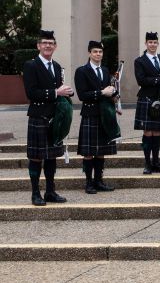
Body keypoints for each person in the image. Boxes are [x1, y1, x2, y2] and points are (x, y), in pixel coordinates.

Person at [22, 30, 73, 206]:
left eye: (51, 43)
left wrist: (65, 93)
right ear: (38, 46)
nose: (47, 46)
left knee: (51, 156)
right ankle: (35, 193)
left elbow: (57, 90)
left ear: (55, 46)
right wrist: (55, 92)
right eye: (44, 43)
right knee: (36, 157)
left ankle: (50, 191)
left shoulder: (57, 66)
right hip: (38, 116)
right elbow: (31, 93)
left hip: (54, 118)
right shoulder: (31, 65)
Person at [74, 40, 119, 194]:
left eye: (100, 52)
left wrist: (114, 96)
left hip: (105, 114)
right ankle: (88, 183)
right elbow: (82, 95)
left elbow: (110, 92)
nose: (98, 54)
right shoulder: (81, 71)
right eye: (95, 51)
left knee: (101, 151)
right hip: (90, 114)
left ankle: (99, 181)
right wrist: (101, 93)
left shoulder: (106, 70)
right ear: (89, 53)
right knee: (88, 152)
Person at [133, 32, 160, 174]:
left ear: (157, 43)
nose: (152, 45)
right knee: (148, 132)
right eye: (150, 42)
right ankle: (147, 163)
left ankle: (156, 162)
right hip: (146, 99)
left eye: (155, 42)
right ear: (146, 43)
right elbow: (141, 81)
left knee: (157, 132)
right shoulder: (139, 61)